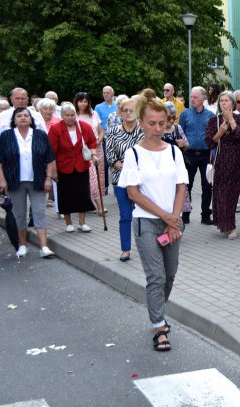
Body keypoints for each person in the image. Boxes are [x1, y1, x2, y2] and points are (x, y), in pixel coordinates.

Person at [118, 88, 188, 351]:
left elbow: (182, 185)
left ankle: (158, 309)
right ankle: (159, 326)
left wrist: (174, 219)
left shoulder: (173, 152)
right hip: (146, 222)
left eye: (162, 123)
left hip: (172, 222)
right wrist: (166, 217)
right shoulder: (133, 154)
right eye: (152, 123)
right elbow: (133, 192)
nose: (157, 128)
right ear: (141, 122)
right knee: (156, 276)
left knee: (169, 275)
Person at [0, 107, 57, 258]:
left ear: (31, 119)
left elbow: (50, 159)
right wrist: (2, 180)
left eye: (26, 115)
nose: (23, 118)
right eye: (19, 116)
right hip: (15, 181)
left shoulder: (40, 135)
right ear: (14, 120)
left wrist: (48, 178)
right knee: (19, 215)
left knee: (39, 213)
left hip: (38, 181)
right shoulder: (6, 136)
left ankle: (44, 247)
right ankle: (22, 245)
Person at [48, 102, 98, 233]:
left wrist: (93, 155)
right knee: (65, 195)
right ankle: (68, 223)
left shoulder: (84, 126)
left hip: (81, 166)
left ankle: (82, 223)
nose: (70, 118)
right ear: (62, 116)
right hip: (63, 166)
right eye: (67, 115)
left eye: (72, 115)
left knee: (83, 194)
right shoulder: (56, 129)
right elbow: (51, 151)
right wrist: (53, 171)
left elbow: (92, 142)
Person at [105, 97, 144, 262]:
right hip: (121, 179)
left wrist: (136, 170)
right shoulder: (113, 130)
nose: (128, 113)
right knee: (126, 215)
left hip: (142, 180)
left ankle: (146, 247)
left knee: (144, 215)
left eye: (132, 110)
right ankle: (126, 249)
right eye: (125, 110)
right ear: (120, 112)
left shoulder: (143, 130)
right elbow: (111, 156)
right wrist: (127, 169)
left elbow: (148, 153)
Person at [205, 91, 240, 239]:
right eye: (221, 100)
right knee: (222, 194)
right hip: (221, 161)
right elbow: (209, 142)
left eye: (227, 100)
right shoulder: (213, 121)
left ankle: (228, 223)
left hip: (236, 161)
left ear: (233, 103)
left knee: (233, 195)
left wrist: (231, 120)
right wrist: (220, 133)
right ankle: (229, 226)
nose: (223, 103)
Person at [178, 86, 215, 224]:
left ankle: (206, 215)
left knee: (207, 185)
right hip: (189, 154)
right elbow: (180, 132)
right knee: (187, 185)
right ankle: (185, 214)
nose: (192, 99)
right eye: (191, 97)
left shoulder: (210, 115)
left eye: (195, 97)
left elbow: (213, 135)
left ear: (203, 99)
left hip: (206, 154)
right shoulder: (185, 114)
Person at [74, 92, 106, 214]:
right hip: (83, 150)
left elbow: (101, 130)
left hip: (97, 147)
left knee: (99, 177)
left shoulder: (94, 114)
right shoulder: (74, 116)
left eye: (85, 101)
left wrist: (99, 139)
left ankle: (92, 202)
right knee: (91, 177)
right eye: (81, 101)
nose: (83, 103)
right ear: (76, 102)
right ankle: (99, 206)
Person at [162, 102, 191, 221]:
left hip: (177, 168)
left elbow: (187, 145)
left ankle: (176, 223)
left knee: (179, 195)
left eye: (173, 117)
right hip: (163, 169)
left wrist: (183, 144)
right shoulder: (158, 129)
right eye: (169, 117)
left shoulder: (177, 128)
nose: (171, 120)